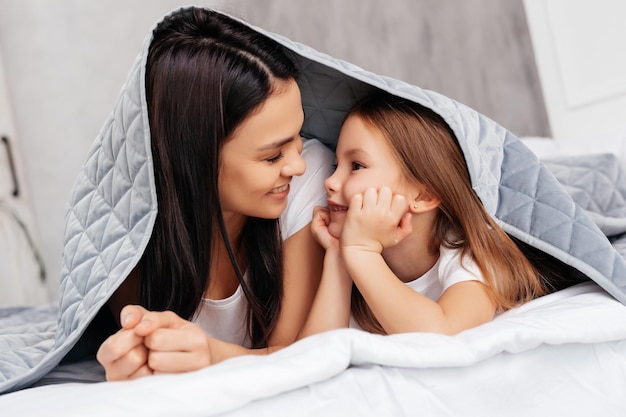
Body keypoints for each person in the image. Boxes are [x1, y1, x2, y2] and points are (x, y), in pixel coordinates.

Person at [96, 8, 333, 380]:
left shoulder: (310, 178)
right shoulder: (123, 235)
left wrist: (214, 355)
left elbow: (297, 353)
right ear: (197, 158)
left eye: (297, 138)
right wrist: (136, 360)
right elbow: (153, 356)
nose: (296, 166)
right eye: (272, 155)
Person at [299, 91, 548, 337]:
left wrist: (362, 252)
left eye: (356, 166)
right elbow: (315, 355)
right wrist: (338, 256)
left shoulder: (472, 254)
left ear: (423, 196)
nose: (330, 181)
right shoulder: (348, 251)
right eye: (335, 165)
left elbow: (442, 335)